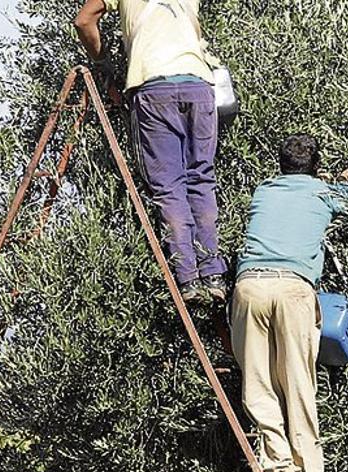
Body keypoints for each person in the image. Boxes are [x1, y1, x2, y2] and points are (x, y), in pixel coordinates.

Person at [74, 0, 228, 302]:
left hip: (154, 86)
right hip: (199, 84)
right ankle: (214, 274)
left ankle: (187, 279)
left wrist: (105, 66)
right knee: (202, 179)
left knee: (169, 186)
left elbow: (84, 20)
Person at [231, 134, 348, 472]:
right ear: (316, 167)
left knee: (258, 385)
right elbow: (346, 201)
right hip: (293, 289)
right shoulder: (323, 192)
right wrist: (346, 179)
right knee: (298, 385)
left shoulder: (264, 191)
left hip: (250, 286)